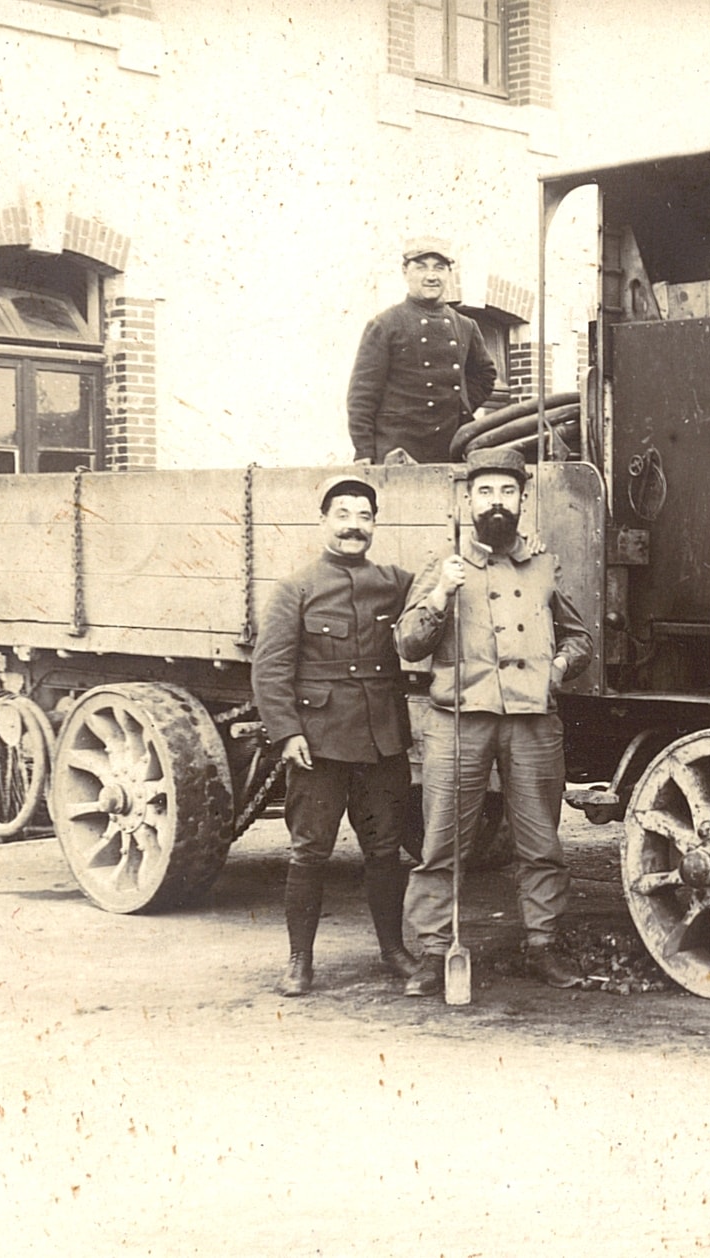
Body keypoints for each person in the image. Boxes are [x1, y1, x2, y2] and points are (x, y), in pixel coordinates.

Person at [396, 447, 594, 995]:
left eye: (507, 491)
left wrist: (557, 669)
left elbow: (581, 639)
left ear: (523, 499)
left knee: (540, 842)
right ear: (468, 499)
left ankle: (543, 945)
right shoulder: (444, 563)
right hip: (459, 719)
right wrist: (440, 593)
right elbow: (408, 643)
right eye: (485, 492)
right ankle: (434, 952)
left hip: (532, 721)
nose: (496, 502)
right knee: (442, 842)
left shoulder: (544, 563)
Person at [251, 474, 419, 997]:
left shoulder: (394, 581)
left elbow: (438, 591)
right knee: (309, 853)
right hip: (318, 746)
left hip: (381, 742)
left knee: (385, 851)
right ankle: (300, 961)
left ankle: (394, 950)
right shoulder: (296, 589)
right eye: (342, 514)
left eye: (364, 515)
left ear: (374, 524)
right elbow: (270, 669)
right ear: (323, 520)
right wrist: (286, 734)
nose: (353, 526)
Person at [347, 237, 498, 466]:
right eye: (421, 267)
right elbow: (362, 395)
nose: (431, 276)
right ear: (405, 272)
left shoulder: (465, 325)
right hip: (397, 450)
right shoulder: (385, 324)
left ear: (449, 273)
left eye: (439, 267)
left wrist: (459, 408)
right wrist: (363, 451)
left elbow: (486, 376)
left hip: (449, 447)